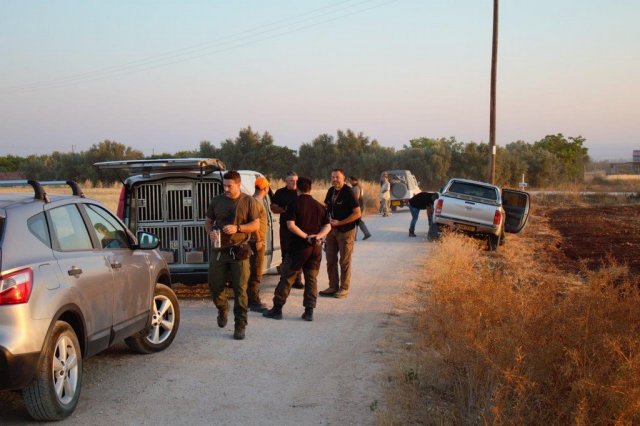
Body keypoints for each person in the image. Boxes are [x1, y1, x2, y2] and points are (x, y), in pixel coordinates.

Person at [263, 177, 331, 321]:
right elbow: (328, 225)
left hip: (298, 249)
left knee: (287, 278)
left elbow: (290, 225)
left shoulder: (293, 204)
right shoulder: (319, 206)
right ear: (310, 188)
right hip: (316, 248)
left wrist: (306, 236)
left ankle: (277, 309)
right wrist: (318, 236)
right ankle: (309, 312)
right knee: (311, 280)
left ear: (297, 189)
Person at [205, 170, 261, 340]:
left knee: (240, 289)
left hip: (240, 249)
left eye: (230, 186)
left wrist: (238, 228)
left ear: (238, 184)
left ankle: (240, 325)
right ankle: (222, 308)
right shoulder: (217, 200)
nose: (226, 189)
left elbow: (256, 225)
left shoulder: (248, 201)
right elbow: (208, 222)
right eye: (224, 185)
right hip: (219, 250)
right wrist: (211, 233)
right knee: (215, 286)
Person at [319, 168, 361, 299]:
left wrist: (340, 222)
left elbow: (357, 213)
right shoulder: (331, 191)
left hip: (346, 231)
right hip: (331, 231)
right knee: (330, 259)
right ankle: (333, 286)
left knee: (344, 261)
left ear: (344, 178)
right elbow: (326, 207)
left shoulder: (348, 192)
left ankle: (344, 288)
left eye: (337, 177)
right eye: (333, 177)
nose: (335, 179)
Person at [270, 171, 304, 289]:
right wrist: (285, 209)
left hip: (300, 228)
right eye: (291, 180)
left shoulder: (301, 192)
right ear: (286, 181)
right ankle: (284, 279)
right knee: (286, 253)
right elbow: (273, 208)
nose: (294, 183)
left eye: (296, 180)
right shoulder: (280, 193)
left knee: (299, 253)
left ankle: (297, 280)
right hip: (285, 228)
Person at [247, 176, 270, 312]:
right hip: (256, 242)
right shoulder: (256, 202)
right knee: (256, 271)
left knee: (253, 271)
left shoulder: (251, 200)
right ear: (265, 188)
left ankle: (251, 299)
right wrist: (258, 240)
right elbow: (255, 224)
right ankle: (254, 302)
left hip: (253, 241)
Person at [349, 176, 372, 240]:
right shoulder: (356, 186)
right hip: (358, 206)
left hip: (358, 206)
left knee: (355, 220)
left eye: (350, 181)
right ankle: (366, 233)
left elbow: (356, 198)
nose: (350, 182)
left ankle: (354, 237)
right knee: (358, 221)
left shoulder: (356, 187)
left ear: (354, 180)